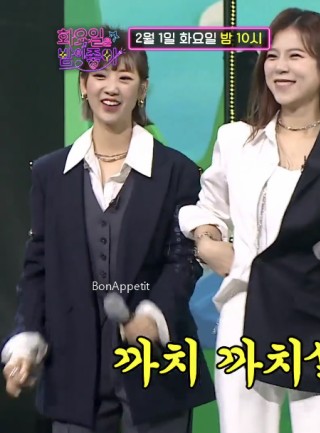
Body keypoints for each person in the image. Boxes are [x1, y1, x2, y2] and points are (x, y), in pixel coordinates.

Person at [178, 8, 320, 433]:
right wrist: (207, 241)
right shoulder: (237, 140)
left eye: (296, 56)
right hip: (245, 312)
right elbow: (209, 206)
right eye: (273, 56)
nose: (280, 67)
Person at [0, 27, 215, 433]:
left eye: (125, 76)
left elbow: (184, 261)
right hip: (72, 372)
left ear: (142, 89)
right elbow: (39, 266)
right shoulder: (50, 173)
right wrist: (26, 338)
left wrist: (153, 316)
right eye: (99, 74)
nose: (111, 87)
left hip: (156, 370)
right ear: (83, 85)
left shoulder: (178, 172)